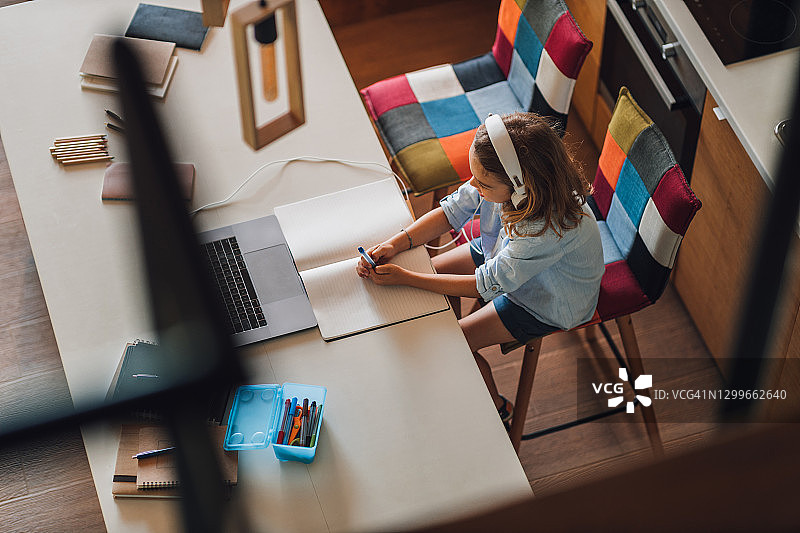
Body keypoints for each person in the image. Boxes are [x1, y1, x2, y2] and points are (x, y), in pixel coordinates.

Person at [356, 112, 604, 426]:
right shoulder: (506, 179)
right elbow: (452, 211)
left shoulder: (546, 230)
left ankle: (500, 409)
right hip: (504, 250)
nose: (474, 186)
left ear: (520, 186)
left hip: (546, 298)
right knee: (432, 274)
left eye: (482, 183)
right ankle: (458, 353)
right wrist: (397, 243)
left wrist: (406, 277)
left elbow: (484, 284)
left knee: (456, 343)